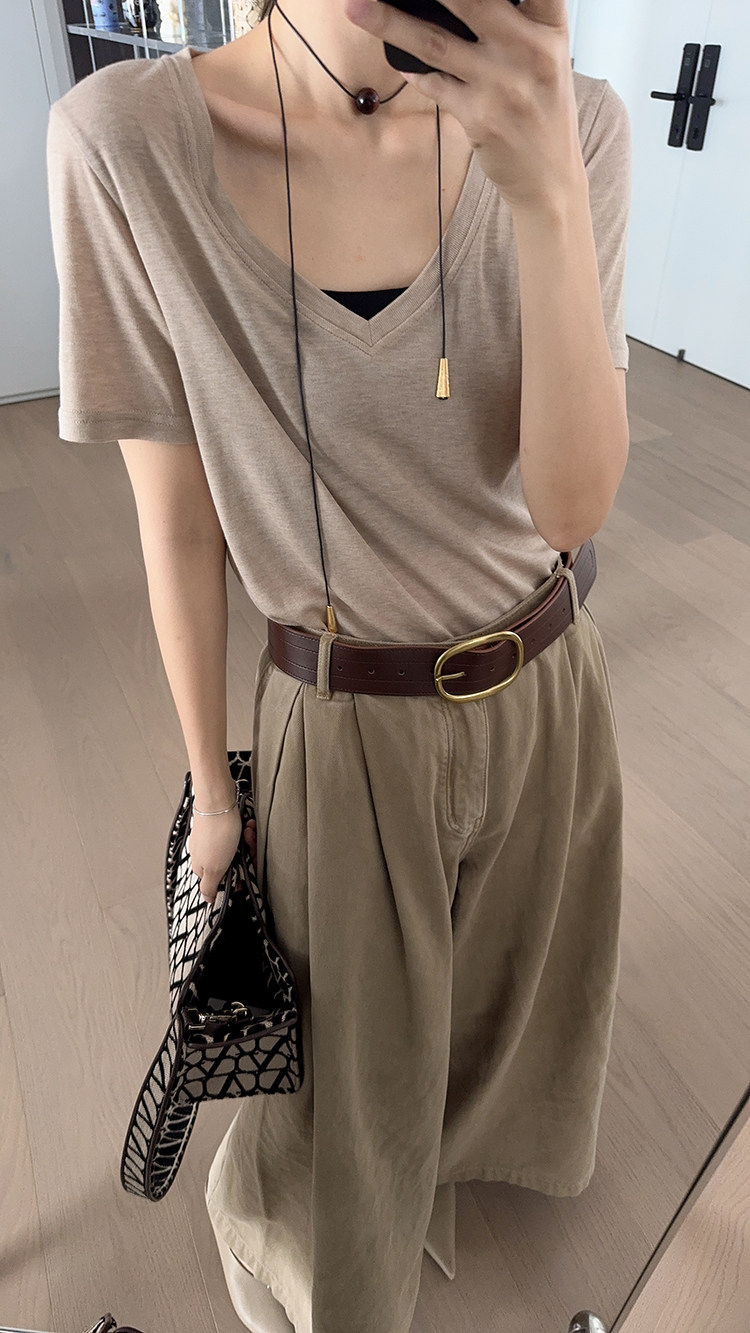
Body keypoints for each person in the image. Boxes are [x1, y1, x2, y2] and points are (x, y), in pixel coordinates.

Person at [46, 0, 631, 1328]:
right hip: (344, 712)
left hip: (552, 682)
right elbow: (178, 523)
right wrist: (212, 790)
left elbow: (569, 507)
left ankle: (449, 1167)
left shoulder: (580, 124)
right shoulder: (125, 144)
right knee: (340, 1069)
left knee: (515, 993)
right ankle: (294, 1236)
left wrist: (544, 193)